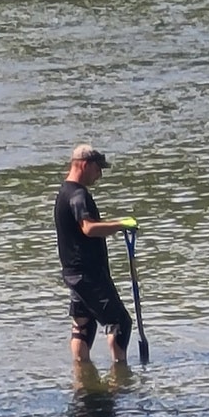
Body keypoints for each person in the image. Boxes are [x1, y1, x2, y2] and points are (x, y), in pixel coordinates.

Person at [54, 144, 139, 363]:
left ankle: (81, 375)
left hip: (74, 273)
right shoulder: (78, 195)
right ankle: (120, 375)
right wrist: (120, 224)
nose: (99, 175)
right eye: (98, 168)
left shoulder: (64, 192)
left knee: (83, 323)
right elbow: (89, 228)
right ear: (84, 165)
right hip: (88, 274)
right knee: (120, 322)